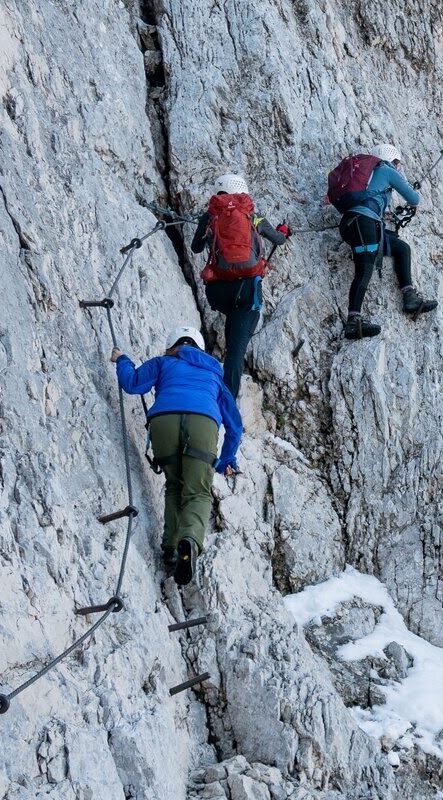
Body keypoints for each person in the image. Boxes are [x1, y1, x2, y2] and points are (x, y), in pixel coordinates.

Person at [111, 326, 243, 586]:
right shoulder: (215, 375)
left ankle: (170, 550)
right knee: (198, 492)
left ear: (173, 346)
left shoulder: (164, 362)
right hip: (202, 424)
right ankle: (189, 540)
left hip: (165, 422)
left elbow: (132, 383)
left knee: (174, 485)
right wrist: (227, 459)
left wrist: (122, 359)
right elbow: (235, 425)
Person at [190, 173, 290, 396]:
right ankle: (227, 409)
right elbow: (278, 239)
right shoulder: (251, 213)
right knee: (236, 354)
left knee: (232, 330)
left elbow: (196, 248)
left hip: (217, 293)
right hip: (246, 291)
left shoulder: (211, 215)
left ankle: (220, 390)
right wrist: (283, 232)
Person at [327, 143, 437, 340]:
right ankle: (353, 321)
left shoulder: (367, 176)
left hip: (355, 224)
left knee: (401, 248)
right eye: (398, 163)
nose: (398, 166)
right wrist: (412, 201)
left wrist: (382, 213)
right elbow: (414, 197)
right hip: (364, 225)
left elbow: (367, 200)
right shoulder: (386, 169)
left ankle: (409, 296)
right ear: (392, 159)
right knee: (364, 270)